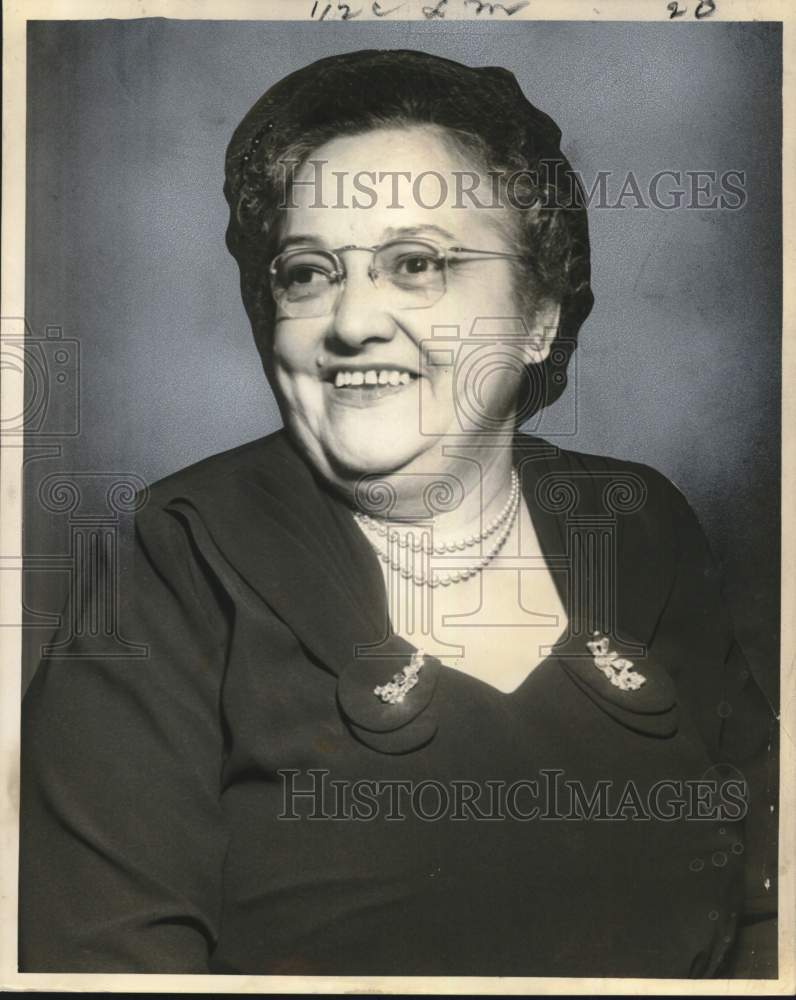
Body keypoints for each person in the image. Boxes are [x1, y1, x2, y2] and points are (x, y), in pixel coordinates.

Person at [19, 48, 775, 977]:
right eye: (307, 273)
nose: (350, 322)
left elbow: (766, 912)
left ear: (539, 312)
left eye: (416, 263)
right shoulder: (159, 566)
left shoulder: (635, 525)